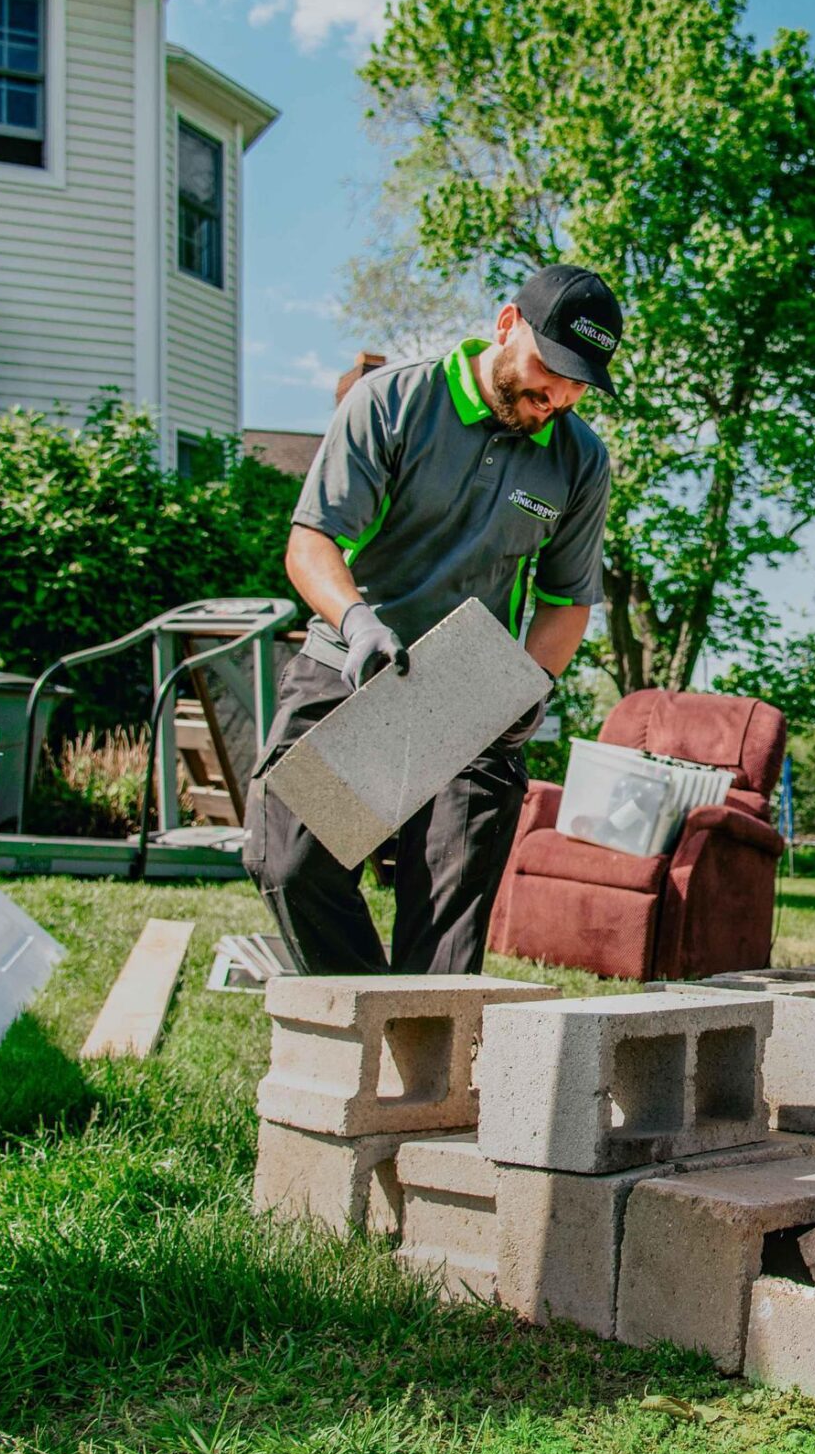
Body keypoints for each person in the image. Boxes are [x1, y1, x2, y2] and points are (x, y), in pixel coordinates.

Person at [246, 265, 622, 976]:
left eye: (579, 383)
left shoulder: (579, 460)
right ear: (507, 325)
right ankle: (374, 1025)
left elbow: (567, 600)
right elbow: (311, 542)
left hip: (464, 689)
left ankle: (422, 1064)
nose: (559, 397)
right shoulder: (393, 403)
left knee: (444, 929)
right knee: (291, 864)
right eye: (550, 370)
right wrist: (356, 622)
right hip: (352, 659)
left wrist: (527, 685)